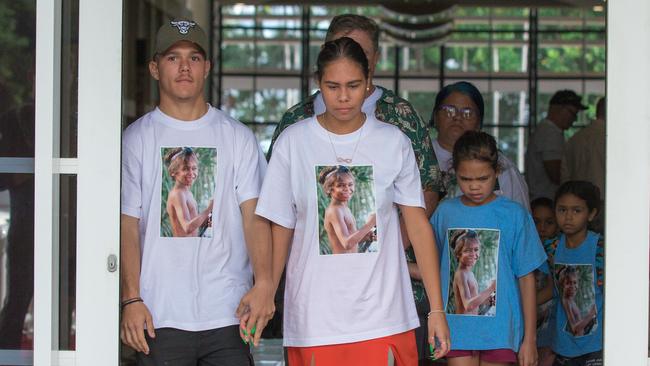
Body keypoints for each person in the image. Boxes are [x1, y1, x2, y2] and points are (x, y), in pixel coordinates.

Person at [256, 37, 450, 365]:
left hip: (385, 317)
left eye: (353, 85)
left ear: (369, 83)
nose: (343, 96)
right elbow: (279, 225)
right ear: (318, 84)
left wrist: (437, 309)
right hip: (314, 318)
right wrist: (266, 290)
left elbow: (418, 227)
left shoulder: (394, 142)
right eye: (332, 86)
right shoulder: (294, 142)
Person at [120, 19, 274, 365]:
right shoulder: (137, 139)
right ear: (154, 68)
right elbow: (127, 223)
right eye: (173, 58)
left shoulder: (237, 137)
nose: (184, 67)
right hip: (159, 315)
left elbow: (255, 217)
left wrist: (264, 283)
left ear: (208, 67)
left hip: (227, 312)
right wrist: (131, 299)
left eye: (194, 57)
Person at [431, 131, 546, 366]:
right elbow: (432, 264)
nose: (474, 187)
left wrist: (530, 340)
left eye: (482, 179)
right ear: (454, 174)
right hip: (456, 329)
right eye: (465, 179)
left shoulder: (514, 215)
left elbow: (526, 278)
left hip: (501, 330)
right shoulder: (445, 212)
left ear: (497, 173)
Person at [430, 81, 530, 209]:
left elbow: (520, 216)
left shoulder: (499, 163)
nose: (457, 117)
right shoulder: (417, 157)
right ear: (435, 116)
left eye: (467, 113)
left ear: (479, 122)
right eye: (449, 110)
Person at [537, 181, 604, 365]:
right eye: (562, 210)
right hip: (563, 344)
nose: (568, 217)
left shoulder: (600, 247)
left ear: (591, 214)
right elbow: (553, 289)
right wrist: (520, 305)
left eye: (576, 211)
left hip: (596, 345)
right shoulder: (552, 248)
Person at [525, 90, 587, 200]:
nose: (574, 119)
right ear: (558, 108)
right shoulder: (550, 132)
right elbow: (555, 174)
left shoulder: (547, 130)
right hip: (546, 199)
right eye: (572, 113)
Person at [561, 97, 606, 233]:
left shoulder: (575, 139)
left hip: (575, 205)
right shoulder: (612, 138)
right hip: (606, 204)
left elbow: (564, 177)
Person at [318, 165, 376, 254]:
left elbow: (345, 242)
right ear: (330, 189)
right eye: (341, 185)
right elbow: (347, 244)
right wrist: (370, 223)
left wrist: (364, 237)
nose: (347, 189)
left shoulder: (344, 208)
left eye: (350, 184)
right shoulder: (334, 210)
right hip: (341, 264)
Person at [530, 197, 558, 366]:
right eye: (536, 222)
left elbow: (554, 288)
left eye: (549, 222)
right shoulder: (526, 246)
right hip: (531, 317)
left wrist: (526, 305)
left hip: (549, 318)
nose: (542, 228)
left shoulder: (556, 249)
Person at [163, 147, 213, 237]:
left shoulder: (187, 193)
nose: (191, 172)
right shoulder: (177, 194)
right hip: (182, 248)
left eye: (194, 168)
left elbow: (194, 224)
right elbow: (187, 228)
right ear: (173, 172)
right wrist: (209, 208)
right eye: (186, 169)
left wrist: (208, 219)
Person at [450, 230, 496, 315]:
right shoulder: (461, 274)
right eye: (467, 250)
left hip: (471, 323)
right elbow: (468, 305)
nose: (473, 254)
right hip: (463, 323)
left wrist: (489, 300)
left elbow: (474, 301)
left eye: (476, 249)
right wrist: (491, 288)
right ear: (458, 253)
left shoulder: (470, 273)